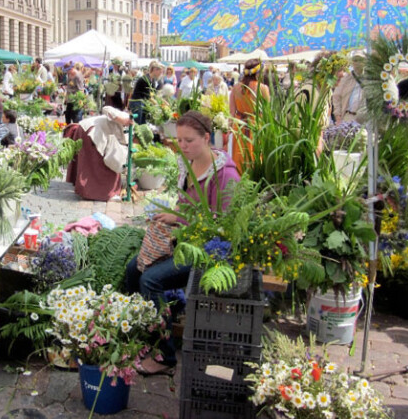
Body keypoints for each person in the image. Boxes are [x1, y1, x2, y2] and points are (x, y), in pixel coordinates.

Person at [125, 111, 240, 375]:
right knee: (133, 269)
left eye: (189, 140)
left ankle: (165, 357)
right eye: (180, 140)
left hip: (209, 250)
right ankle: (147, 336)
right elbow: (186, 206)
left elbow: (224, 224)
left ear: (207, 138)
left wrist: (180, 219)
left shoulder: (225, 175)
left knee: (150, 280)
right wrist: (171, 221)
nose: (183, 145)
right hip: (184, 241)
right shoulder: (185, 164)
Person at [64, 105, 133, 201]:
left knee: (91, 163)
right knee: (94, 165)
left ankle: (90, 191)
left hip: (89, 131)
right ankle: (94, 193)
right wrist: (121, 119)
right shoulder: (126, 117)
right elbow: (106, 109)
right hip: (90, 131)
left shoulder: (130, 136)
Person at [229, 59, 270, 173]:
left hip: (239, 127)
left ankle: (239, 181)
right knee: (255, 156)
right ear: (258, 72)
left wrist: (228, 131)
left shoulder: (236, 88)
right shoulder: (263, 88)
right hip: (256, 126)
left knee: (239, 156)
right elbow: (266, 113)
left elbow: (232, 113)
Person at [332, 52, 367, 123]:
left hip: (363, 119)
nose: (357, 63)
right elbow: (336, 97)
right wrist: (338, 117)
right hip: (348, 116)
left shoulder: (369, 79)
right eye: (355, 60)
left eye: (360, 60)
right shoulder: (345, 78)